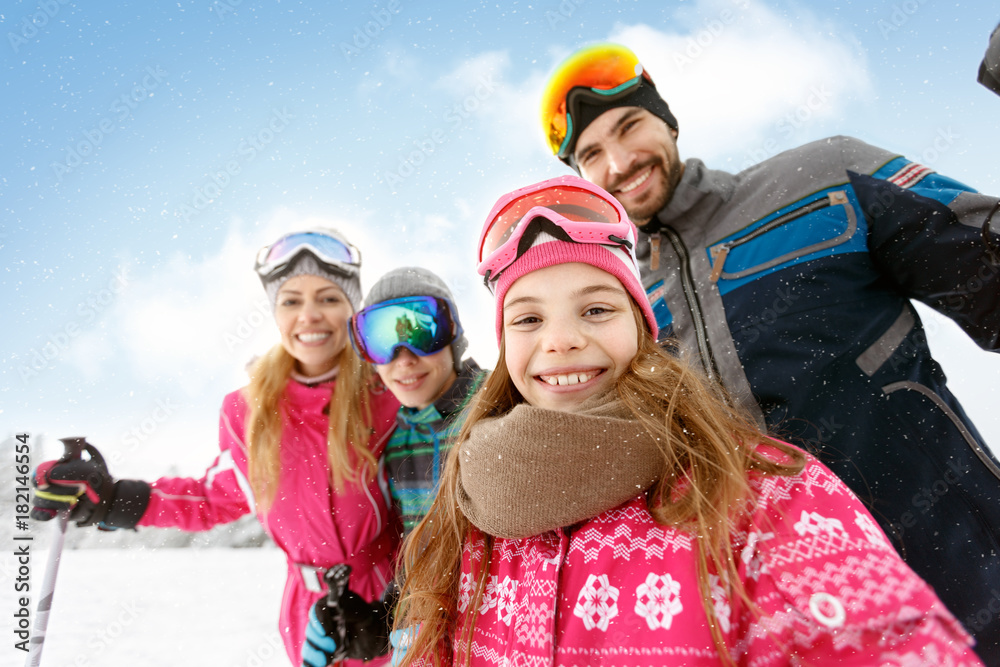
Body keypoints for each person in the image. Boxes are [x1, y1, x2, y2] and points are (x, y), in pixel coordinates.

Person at [390, 176, 980, 666]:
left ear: (642, 327)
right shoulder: (466, 513)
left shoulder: (762, 497)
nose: (562, 341)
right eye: (527, 320)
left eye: (596, 308)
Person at [538, 43, 1000, 663]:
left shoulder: (824, 179)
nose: (619, 162)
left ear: (666, 122)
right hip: (787, 626)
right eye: (591, 155)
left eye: (629, 127)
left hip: (961, 564)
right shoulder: (621, 308)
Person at [31, 227, 401, 666]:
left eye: (328, 298)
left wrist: (396, 604)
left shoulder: (388, 393)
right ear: (275, 312)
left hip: (391, 602)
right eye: (291, 300)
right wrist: (114, 498)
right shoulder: (249, 411)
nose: (309, 315)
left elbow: (429, 507)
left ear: (351, 309)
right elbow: (214, 498)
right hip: (306, 612)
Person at [300, 267, 483, 667]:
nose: (404, 359)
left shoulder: (495, 403)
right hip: (432, 638)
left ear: (453, 334)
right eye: (382, 340)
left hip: (503, 628)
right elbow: (421, 550)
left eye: (422, 331)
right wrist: (381, 621)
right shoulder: (397, 442)